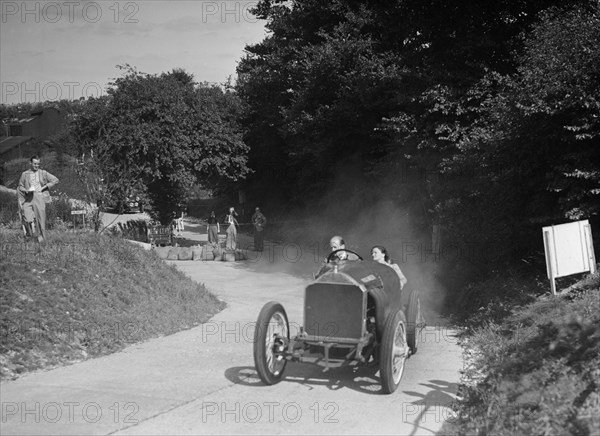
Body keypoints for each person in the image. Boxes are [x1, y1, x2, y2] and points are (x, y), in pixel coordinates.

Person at [17, 155, 59, 243]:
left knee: (41, 220)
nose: (37, 166)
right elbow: (20, 186)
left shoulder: (43, 172)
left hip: (40, 197)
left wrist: (44, 187)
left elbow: (55, 180)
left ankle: (42, 240)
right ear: (30, 163)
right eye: (35, 164)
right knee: (27, 218)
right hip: (28, 198)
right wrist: (26, 190)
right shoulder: (25, 174)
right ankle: (29, 234)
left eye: (38, 164)